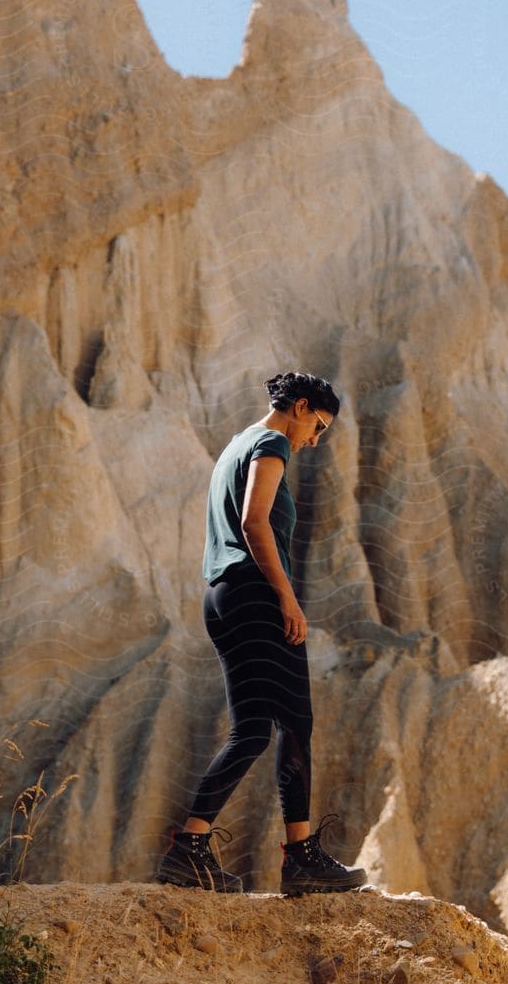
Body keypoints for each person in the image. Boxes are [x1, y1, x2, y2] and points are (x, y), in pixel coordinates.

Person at [155, 370, 368, 896]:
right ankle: (300, 859)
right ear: (299, 407)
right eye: (317, 427)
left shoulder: (236, 445)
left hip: (222, 596)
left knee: (252, 731)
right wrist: (287, 597)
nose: (314, 441)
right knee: (296, 722)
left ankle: (190, 849)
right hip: (255, 594)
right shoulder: (272, 443)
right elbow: (255, 523)